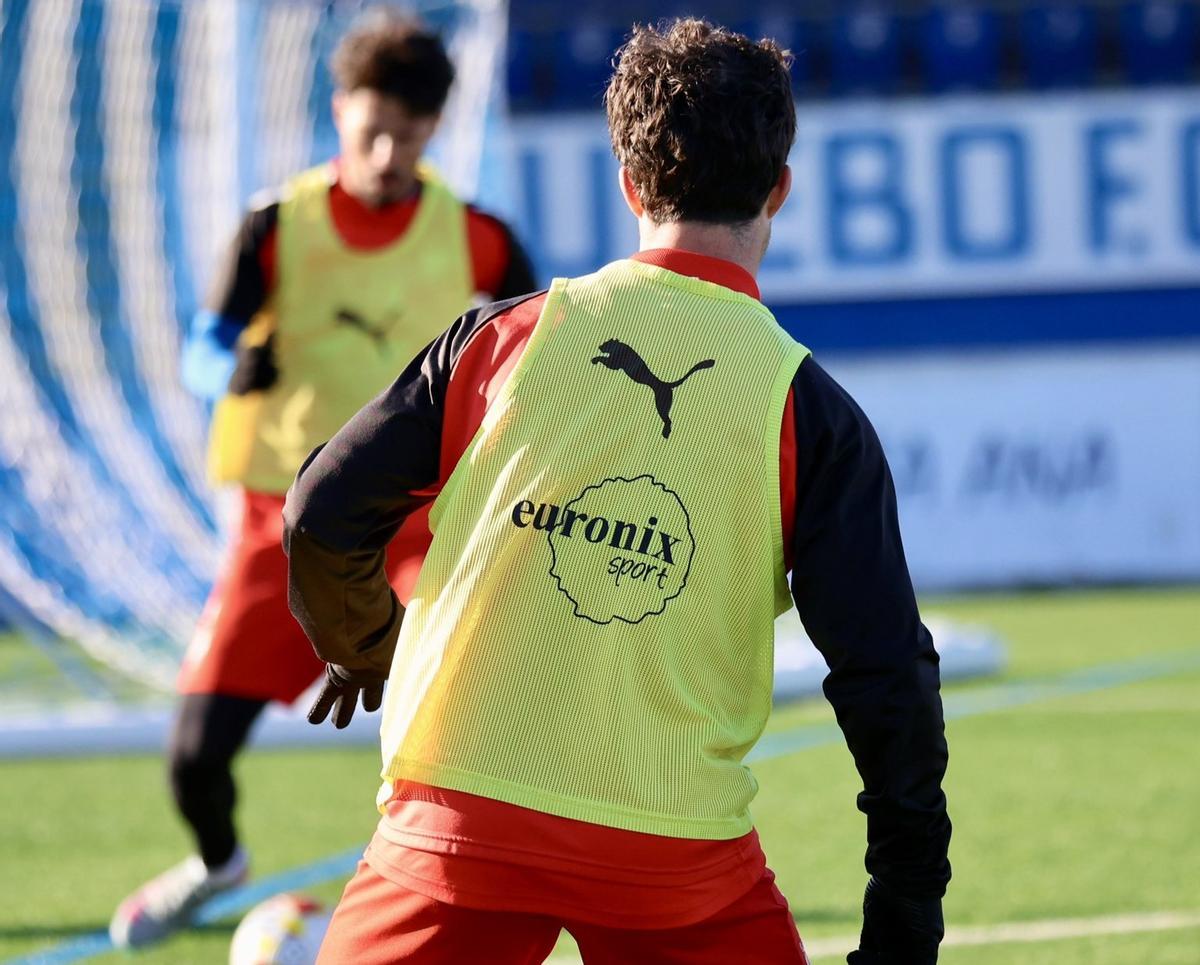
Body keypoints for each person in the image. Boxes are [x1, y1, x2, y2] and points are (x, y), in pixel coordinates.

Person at [284, 18, 950, 965]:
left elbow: (318, 511)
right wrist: (905, 911)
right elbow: (885, 675)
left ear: (630, 184)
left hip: (456, 828)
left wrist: (366, 648)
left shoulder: (494, 343)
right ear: (780, 189)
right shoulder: (809, 411)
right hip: (674, 856)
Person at [109, 9, 536, 950]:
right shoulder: (276, 226)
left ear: (435, 131)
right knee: (193, 759)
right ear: (340, 112)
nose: (387, 150)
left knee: (477, 714)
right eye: (371, 127)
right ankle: (218, 861)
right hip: (284, 530)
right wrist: (230, 371)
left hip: (418, 531)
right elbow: (201, 350)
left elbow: (536, 350)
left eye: (410, 134)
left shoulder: (478, 239)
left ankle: (467, 888)